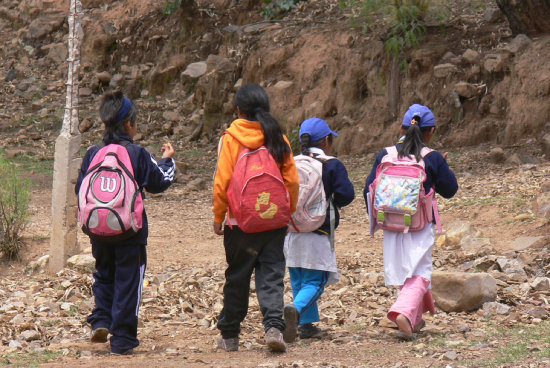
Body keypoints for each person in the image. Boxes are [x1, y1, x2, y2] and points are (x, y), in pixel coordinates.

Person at [75, 91, 176, 355]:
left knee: (104, 273)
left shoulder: (92, 152)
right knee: (129, 281)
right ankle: (122, 340)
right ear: (129, 124)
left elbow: (80, 190)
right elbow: (160, 181)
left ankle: (100, 320)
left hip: (98, 228)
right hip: (131, 232)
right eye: (136, 121)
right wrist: (168, 160)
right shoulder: (138, 153)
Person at [212, 83, 299, 353]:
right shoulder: (277, 136)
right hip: (274, 222)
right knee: (272, 276)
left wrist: (218, 216)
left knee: (237, 276)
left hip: (240, 224)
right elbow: (292, 181)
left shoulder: (231, 138)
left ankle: (230, 337)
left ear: (239, 109)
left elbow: (223, 180)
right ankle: (274, 328)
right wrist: (288, 212)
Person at [363, 104, 458, 340]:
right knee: (422, 272)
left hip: (390, 221)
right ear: (431, 131)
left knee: (406, 270)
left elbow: (367, 189)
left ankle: (415, 319)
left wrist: (376, 219)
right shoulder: (432, 157)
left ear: (402, 128)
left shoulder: (385, 155)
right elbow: (450, 190)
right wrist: (440, 168)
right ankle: (403, 312)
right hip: (420, 223)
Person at [282, 118, 355, 343]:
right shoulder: (331, 164)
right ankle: (295, 310)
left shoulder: (290, 162)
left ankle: (306, 326)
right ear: (326, 140)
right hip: (318, 232)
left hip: (291, 231)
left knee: (299, 279)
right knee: (316, 282)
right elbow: (347, 195)